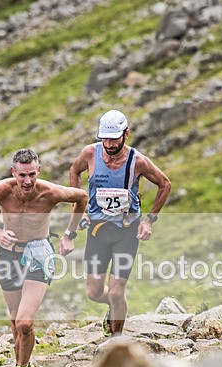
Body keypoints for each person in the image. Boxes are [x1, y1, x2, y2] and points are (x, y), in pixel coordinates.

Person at [0, 148, 88, 367]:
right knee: (14, 321)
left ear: (39, 171)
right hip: (8, 254)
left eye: (32, 174)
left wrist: (69, 235)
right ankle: (23, 363)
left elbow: (82, 196)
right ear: (14, 172)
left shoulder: (50, 192)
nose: (27, 181)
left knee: (24, 322)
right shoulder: (2, 189)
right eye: (22, 175)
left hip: (39, 253)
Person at [69, 109, 171, 336]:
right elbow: (74, 171)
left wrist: (149, 220)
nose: (109, 144)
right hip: (97, 231)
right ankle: (116, 307)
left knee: (116, 292)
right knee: (94, 293)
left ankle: (116, 340)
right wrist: (79, 206)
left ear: (126, 134)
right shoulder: (89, 154)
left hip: (126, 231)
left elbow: (165, 184)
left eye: (114, 139)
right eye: (105, 138)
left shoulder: (138, 161)